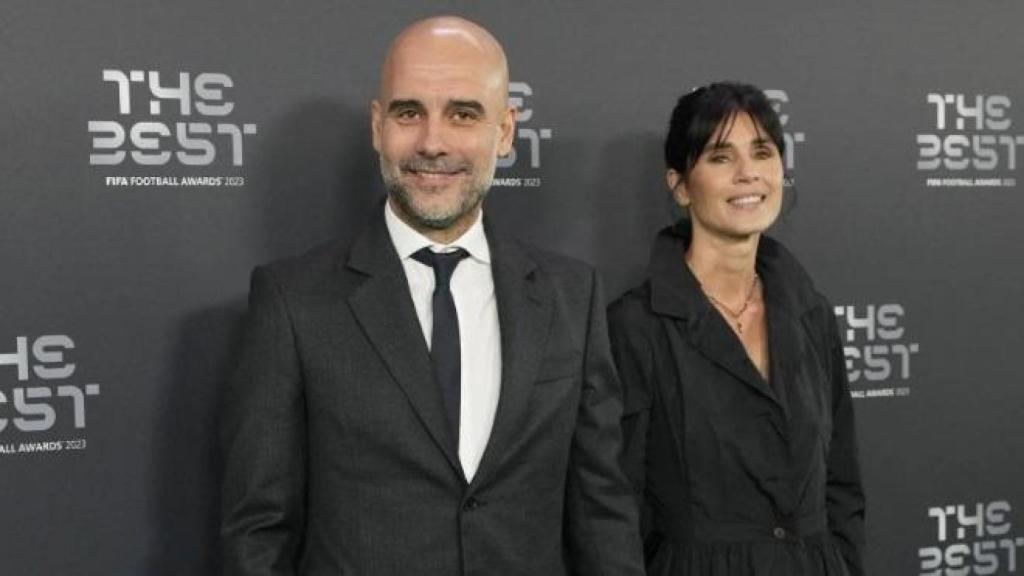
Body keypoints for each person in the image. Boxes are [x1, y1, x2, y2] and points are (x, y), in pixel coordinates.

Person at [220, 15, 644, 576]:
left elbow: (601, 513)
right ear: (378, 127)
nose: (432, 142)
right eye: (408, 112)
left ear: (506, 131)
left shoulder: (572, 295)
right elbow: (259, 529)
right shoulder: (292, 300)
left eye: (463, 113)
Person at [608, 82, 865, 575]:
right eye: (721, 157)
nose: (749, 174)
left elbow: (842, 485)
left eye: (762, 152)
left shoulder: (811, 315)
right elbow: (615, 504)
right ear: (680, 184)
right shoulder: (634, 326)